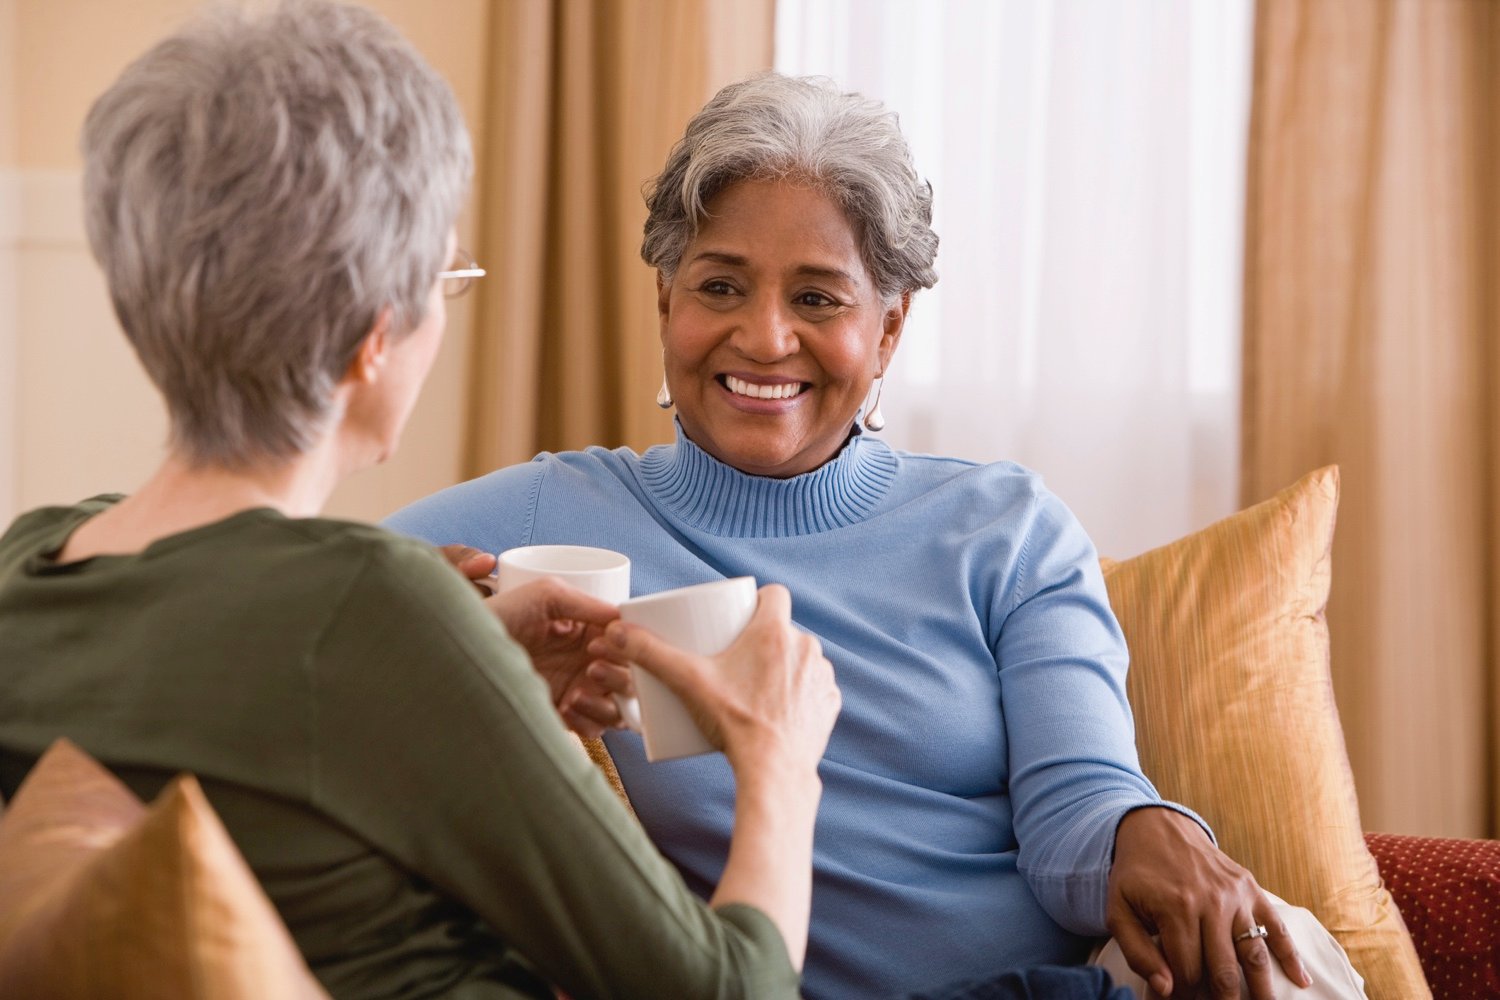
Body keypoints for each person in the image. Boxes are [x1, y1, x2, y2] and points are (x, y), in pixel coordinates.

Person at [388, 74, 1366, 1000]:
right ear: (665, 300)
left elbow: (1078, 809)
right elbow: (272, 592)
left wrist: (1146, 829)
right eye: (720, 286)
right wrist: (385, 611)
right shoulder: (548, 517)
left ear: (890, 329)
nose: (766, 337)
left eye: (818, 297)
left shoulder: (1009, 531)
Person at [0, 7, 844, 999]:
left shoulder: (31, 568)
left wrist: (471, 667)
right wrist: (780, 761)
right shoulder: (376, 607)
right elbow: (730, 988)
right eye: (447, 278)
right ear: (371, 338)